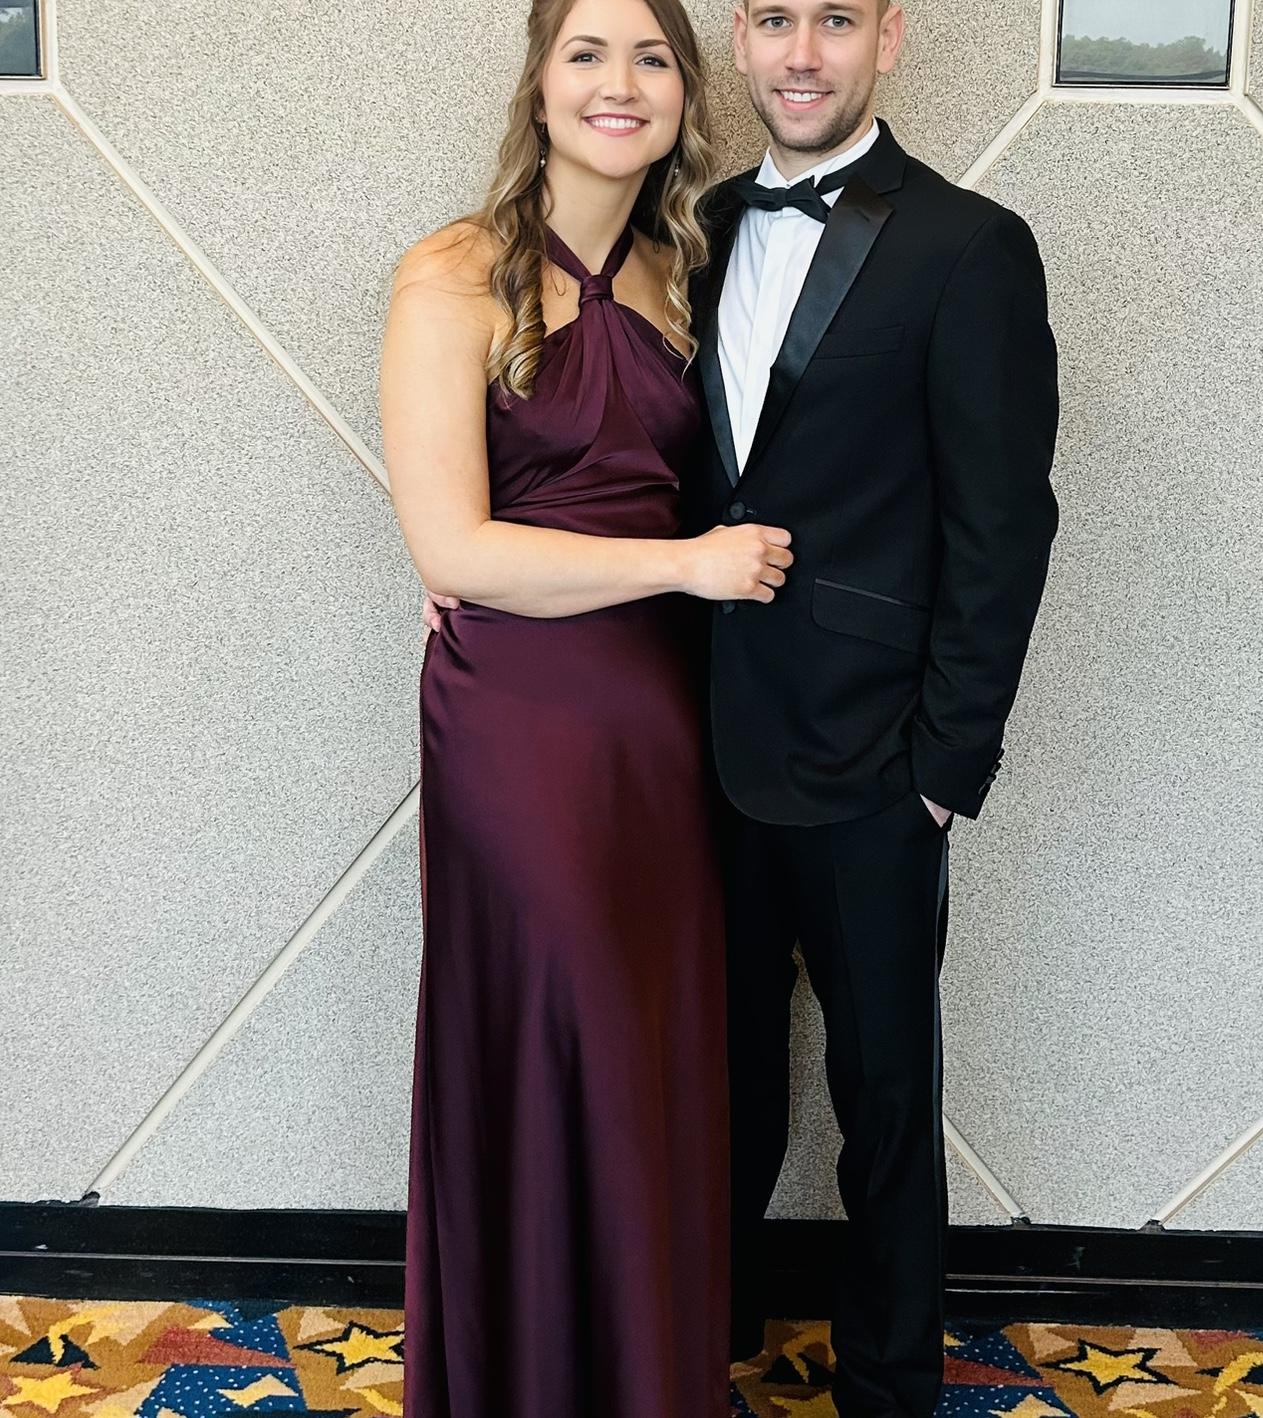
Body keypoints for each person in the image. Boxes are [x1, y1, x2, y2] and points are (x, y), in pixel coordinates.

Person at [378, 0, 795, 1411]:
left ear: (684, 92)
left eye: (653, 57)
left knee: (652, 1049)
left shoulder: (694, 270)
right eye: (587, 53)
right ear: (539, 85)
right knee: (566, 1034)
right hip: (522, 727)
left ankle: (641, 1378)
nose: (622, 83)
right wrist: (684, 564)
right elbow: (453, 549)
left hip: (668, 729)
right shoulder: (451, 275)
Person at [686, 1, 1061, 1415]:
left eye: (836, 18)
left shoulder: (969, 246)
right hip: (697, 743)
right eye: (775, 18)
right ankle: (705, 1337)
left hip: (875, 761)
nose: (802, 53)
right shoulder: (691, 232)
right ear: (739, 37)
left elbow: (1001, 525)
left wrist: (945, 767)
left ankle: (891, 1383)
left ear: (888, 38)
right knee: (715, 1078)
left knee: (887, 1099)